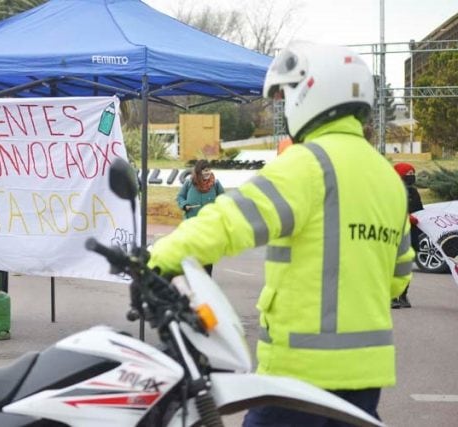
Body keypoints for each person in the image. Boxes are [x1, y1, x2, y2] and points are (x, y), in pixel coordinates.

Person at [148, 41, 413, 425]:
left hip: (299, 374)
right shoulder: (388, 179)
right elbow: (398, 277)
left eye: (289, 95)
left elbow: (228, 221)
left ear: (312, 94)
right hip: (366, 378)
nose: (286, 105)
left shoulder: (308, 164)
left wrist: (159, 258)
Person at [176, 159, 224, 275]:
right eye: (205, 171)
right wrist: (185, 205)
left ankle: (207, 277)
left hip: (209, 224)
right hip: (192, 223)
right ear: (199, 171)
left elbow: (223, 199)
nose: (208, 173)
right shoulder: (189, 183)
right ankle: (193, 275)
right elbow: (180, 197)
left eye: (209, 170)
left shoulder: (215, 183)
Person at [391, 162, 423, 309]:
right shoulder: (392, 190)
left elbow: (420, 211)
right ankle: (392, 296)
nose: (411, 177)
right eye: (408, 174)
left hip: (412, 233)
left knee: (407, 267)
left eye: (412, 174)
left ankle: (403, 295)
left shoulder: (414, 192)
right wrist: (406, 217)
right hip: (397, 234)